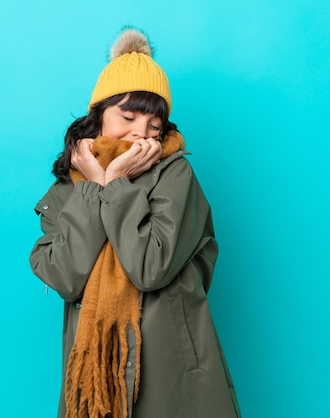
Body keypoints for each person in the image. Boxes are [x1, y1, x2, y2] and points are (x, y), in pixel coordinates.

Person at [30, 28, 241, 418]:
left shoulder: (175, 174)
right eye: (127, 116)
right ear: (97, 116)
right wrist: (93, 186)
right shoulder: (67, 189)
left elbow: (150, 268)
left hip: (170, 376)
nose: (140, 133)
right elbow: (65, 278)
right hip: (93, 385)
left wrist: (116, 185)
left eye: (154, 124)